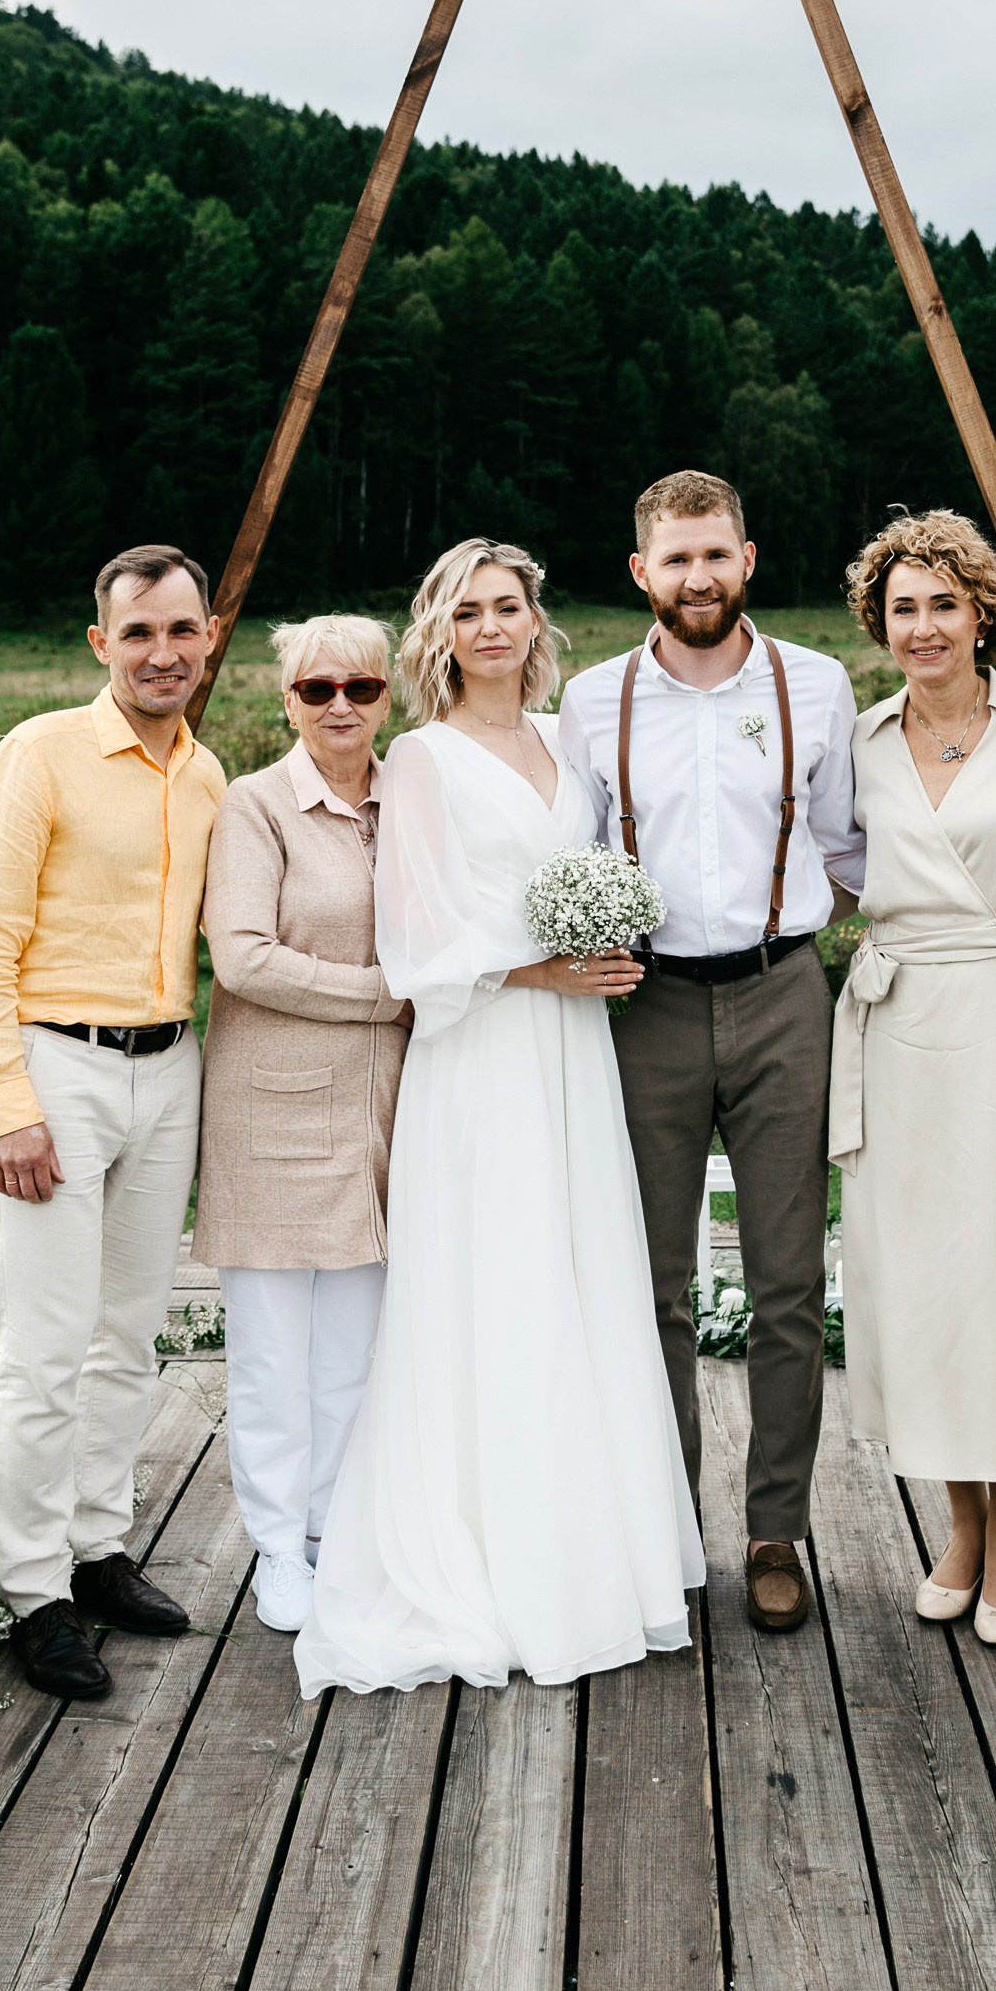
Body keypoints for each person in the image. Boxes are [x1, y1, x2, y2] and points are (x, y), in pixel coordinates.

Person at [292, 539, 704, 1695]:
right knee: (499, 1283)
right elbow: (413, 940)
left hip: (572, 1056)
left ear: (536, 624)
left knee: (580, 1278)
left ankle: (593, 1551)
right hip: (481, 1056)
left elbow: (592, 865)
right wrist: (539, 973)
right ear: (441, 633)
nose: (489, 628)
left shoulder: (566, 742)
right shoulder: (419, 759)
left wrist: (603, 943)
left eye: (507, 607)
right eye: (466, 610)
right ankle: (491, 1561)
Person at [557, 471, 866, 1635]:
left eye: (714, 555)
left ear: (748, 559)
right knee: (652, 1288)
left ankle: (773, 1528)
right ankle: (666, 1527)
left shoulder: (816, 684)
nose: (697, 577)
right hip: (648, 1008)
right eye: (673, 559)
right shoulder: (590, 702)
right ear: (640, 572)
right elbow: (571, 854)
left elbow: (846, 842)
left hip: (786, 992)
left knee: (790, 1281)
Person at [0, 544, 227, 1700]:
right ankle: (32, 1592)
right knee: (44, 1348)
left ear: (209, 640)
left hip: (169, 1070)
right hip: (57, 1072)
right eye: (140, 633)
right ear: (100, 643)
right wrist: (7, 1108)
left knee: (128, 1334)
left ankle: (97, 1547)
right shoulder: (41, 756)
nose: (163, 653)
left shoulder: (207, 776)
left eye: (182, 631)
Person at [830, 511, 996, 1642]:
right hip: (899, 1021)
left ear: (982, 611)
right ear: (878, 625)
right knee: (922, 1281)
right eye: (902, 608)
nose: (924, 625)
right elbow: (832, 873)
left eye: (944, 602)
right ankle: (956, 1519)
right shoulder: (858, 740)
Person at [194, 614, 411, 1635]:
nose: (338, 708)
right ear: (286, 701)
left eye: (358, 689)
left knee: (356, 1348)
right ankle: (277, 1545)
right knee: (273, 1353)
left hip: (385, 1114)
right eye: (316, 690)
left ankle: (335, 1530)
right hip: (273, 1111)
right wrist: (388, 992)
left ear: (386, 696)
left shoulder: (409, 800)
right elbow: (241, 958)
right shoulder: (255, 807)